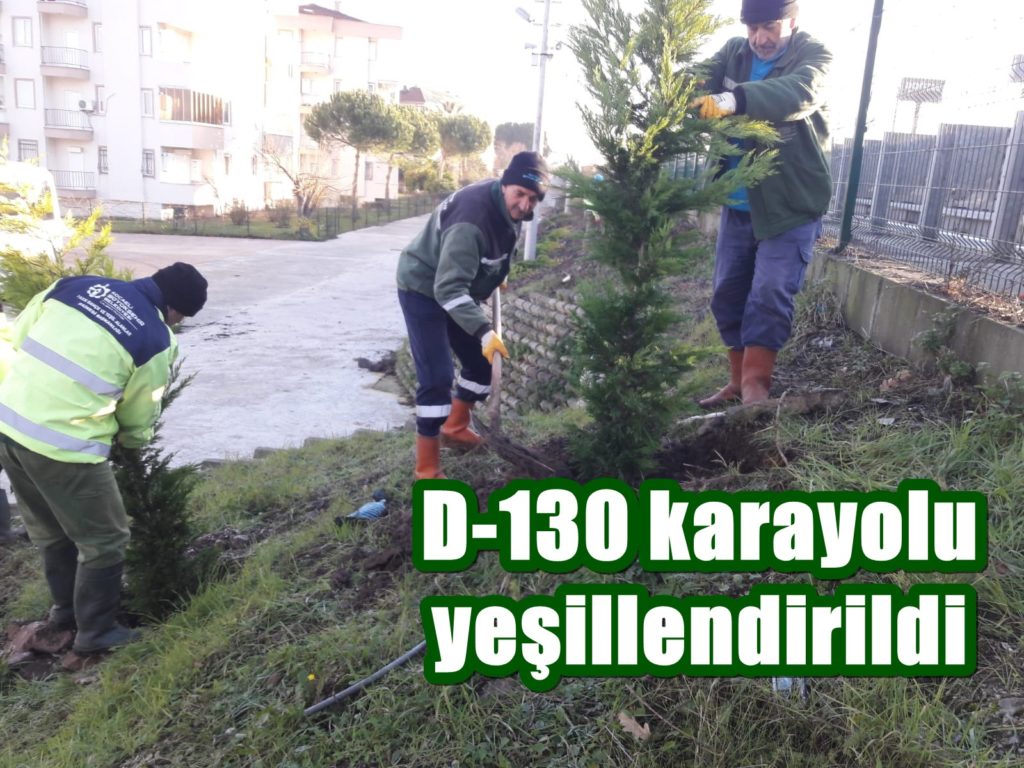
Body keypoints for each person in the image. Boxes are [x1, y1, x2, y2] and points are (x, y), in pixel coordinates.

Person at [0, 262, 208, 654]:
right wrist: (131, 443)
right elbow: (140, 412)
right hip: (64, 446)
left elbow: (20, 336)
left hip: (9, 426)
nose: (177, 324)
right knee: (106, 538)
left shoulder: (73, 286)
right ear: (174, 309)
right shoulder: (155, 338)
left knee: (52, 531)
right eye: (181, 317)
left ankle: (66, 614)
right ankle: (96, 631)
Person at [693, 0, 832, 406]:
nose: (760, 38)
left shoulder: (813, 55)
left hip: (789, 204)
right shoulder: (734, 53)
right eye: (753, 29)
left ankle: (757, 384)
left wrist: (733, 100)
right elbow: (696, 79)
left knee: (770, 292)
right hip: (738, 204)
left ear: (792, 20)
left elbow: (800, 92)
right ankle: (737, 381)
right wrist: (679, 92)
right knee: (727, 294)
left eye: (769, 26)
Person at [397, 151, 549, 479]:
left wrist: (495, 274)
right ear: (505, 184)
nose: (525, 204)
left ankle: (455, 427)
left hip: (456, 287)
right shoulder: (472, 219)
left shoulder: (507, 206)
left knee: (482, 365)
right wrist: (483, 331)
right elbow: (448, 289)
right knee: (437, 379)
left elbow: (493, 247)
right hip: (423, 287)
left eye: (533, 199)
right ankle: (427, 469)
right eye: (520, 194)